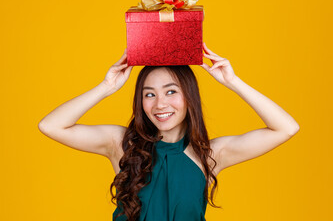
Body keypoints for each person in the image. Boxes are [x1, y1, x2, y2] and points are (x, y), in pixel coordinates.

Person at [38, 43, 300, 221]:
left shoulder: (211, 154)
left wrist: (233, 82)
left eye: (171, 91)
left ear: (189, 97)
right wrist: (106, 87)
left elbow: (286, 128)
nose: (160, 104)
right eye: (149, 94)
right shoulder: (121, 144)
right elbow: (50, 126)